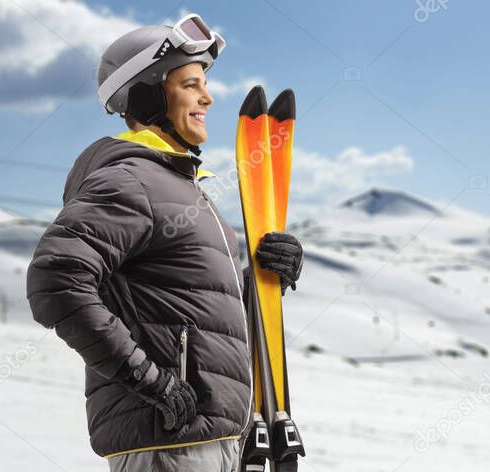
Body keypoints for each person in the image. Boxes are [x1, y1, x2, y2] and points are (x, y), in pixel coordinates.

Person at [26, 13, 304, 472]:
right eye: (190, 84)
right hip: (169, 446)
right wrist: (150, 381)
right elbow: (54, 280)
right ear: (151, 93)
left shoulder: (185, 191)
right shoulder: (132, 181)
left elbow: (194, 311)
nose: (208, 97)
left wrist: (260, 279)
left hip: (217, 440)